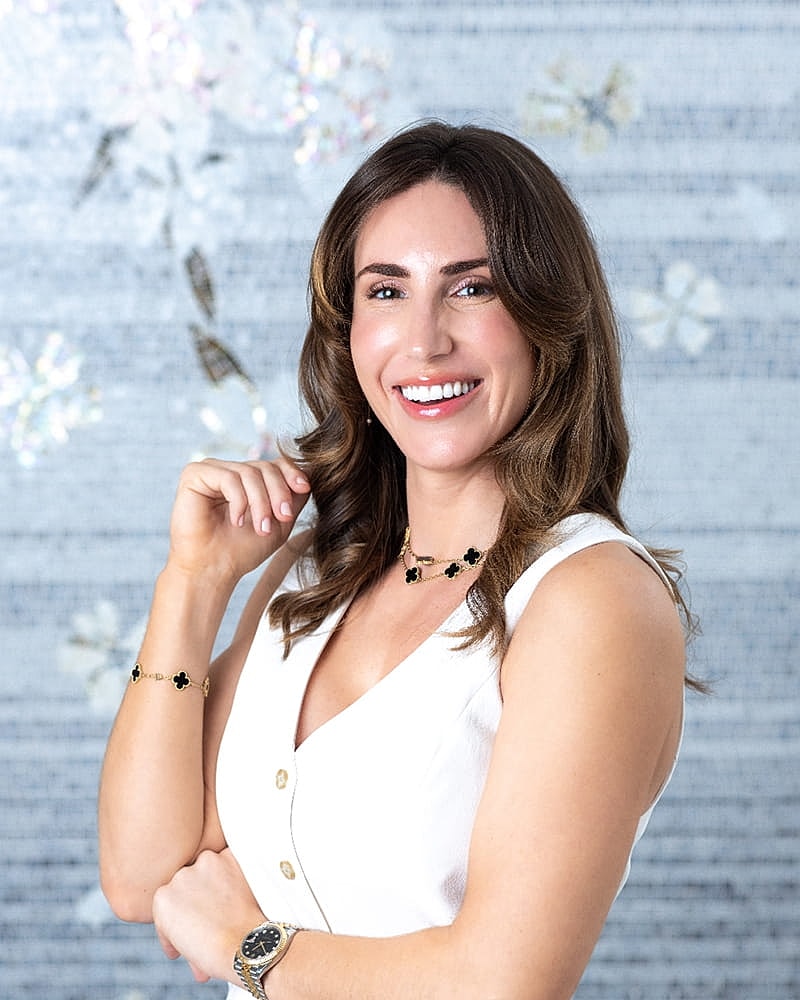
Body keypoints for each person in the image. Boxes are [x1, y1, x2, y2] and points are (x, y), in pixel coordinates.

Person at [98, 121, 693, 1000]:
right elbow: (142, 875)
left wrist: (244, 945)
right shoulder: (312, 572)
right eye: (386, 291)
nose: (424, 341)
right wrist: (193, 586)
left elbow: (502, 983)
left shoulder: (591, 599)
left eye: (472, 288)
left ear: (547, 319)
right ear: (347, 332)